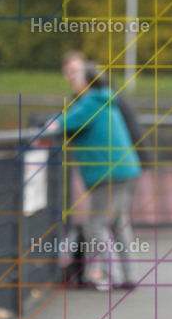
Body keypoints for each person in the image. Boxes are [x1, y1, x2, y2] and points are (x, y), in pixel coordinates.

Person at [56, 61, 142, 290]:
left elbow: (61, 123)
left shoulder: (90, 102)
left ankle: (107, 276)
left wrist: (47, 127)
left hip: (109, 173)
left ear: (86, 82)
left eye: (76, 78)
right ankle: (129, 275)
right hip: (125, 170)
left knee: (96, 225)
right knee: (119, 224)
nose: (72, 82)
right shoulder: (106, 98)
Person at [61, 50, 153, 167]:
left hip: (124, 159)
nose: (73, 76)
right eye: (68, 71)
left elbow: (130, 126)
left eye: (76, 71)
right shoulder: (97, 95)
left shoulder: (99, 97)